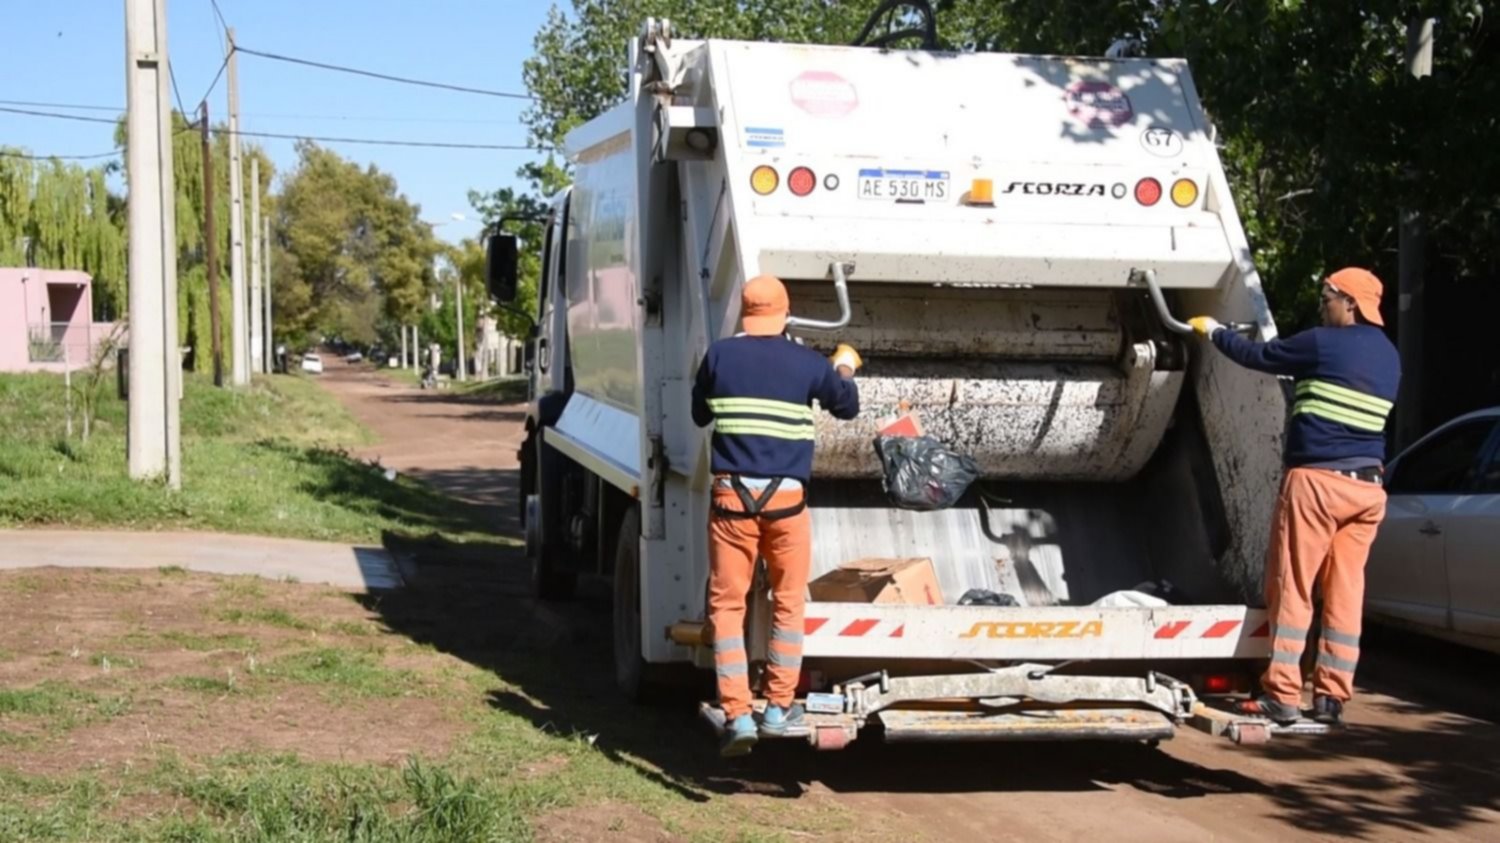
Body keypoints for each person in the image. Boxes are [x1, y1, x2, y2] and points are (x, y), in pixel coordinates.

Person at [1190, 267, 1399, 726]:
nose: (1321, 306)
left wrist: (1215, 332)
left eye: (1326, 297)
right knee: (1345, 593)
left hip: (1318, 484)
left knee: (1292, 586)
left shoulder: (1324, 342)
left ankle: (1282, 692)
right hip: (1367, 490)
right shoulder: (1389, 356)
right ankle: (1331, 697)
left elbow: (1259, 356)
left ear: (1349, 302)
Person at [692, 274, 862, 757]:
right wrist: (842, 367)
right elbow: (847, 407)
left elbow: (699, 414)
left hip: (731, 504)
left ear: (745, 314)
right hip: (787, 505)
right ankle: (777, 706)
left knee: (728, 607)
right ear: (785, 315)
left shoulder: (720, 355)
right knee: (787, 602)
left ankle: (737, 713)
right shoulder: (806, 363)